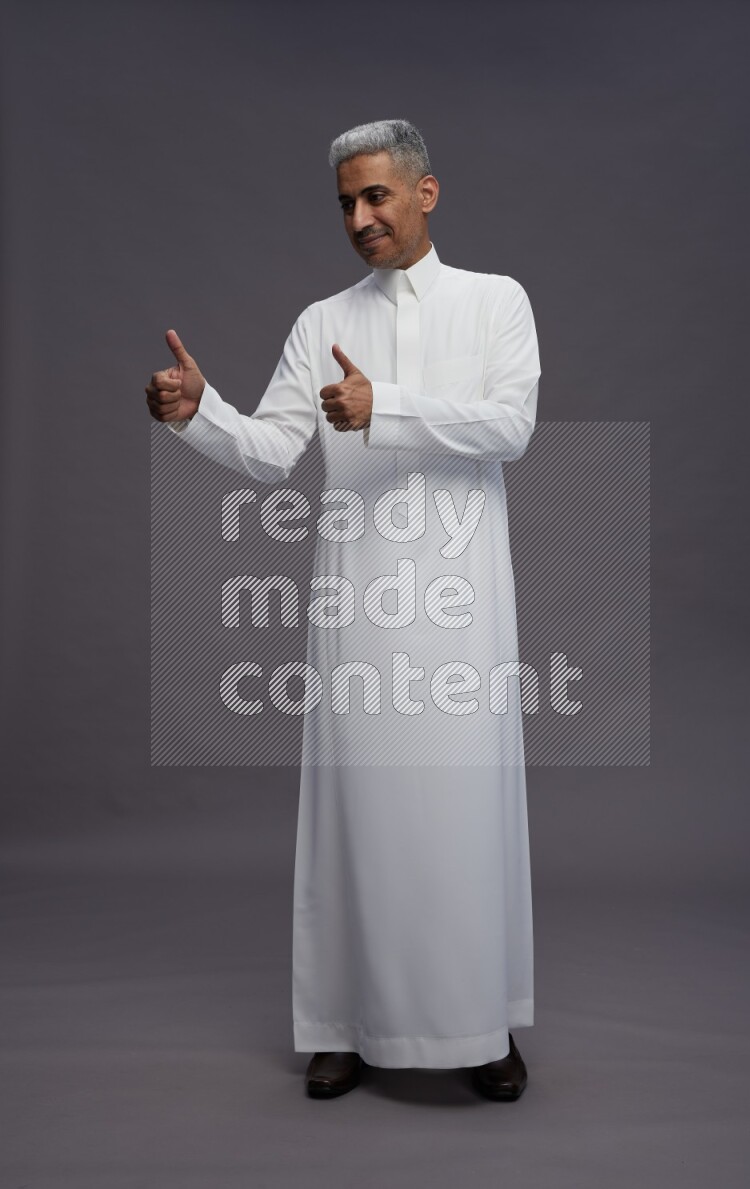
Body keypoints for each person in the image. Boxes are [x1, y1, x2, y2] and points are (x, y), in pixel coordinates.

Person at [145, 119, 541, 1101]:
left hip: (460, 606)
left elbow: (511, 425)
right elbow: (271, 450)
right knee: (356, 812)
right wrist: (200, 413)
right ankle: (345, 1022)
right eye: (345, 204)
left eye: (375, 196)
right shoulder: (322, 319)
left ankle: (479, 1026)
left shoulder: (495, 302)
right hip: (358, 601)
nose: (360, 218)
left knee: (461, 815)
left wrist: (386, 407)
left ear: (425, 193)